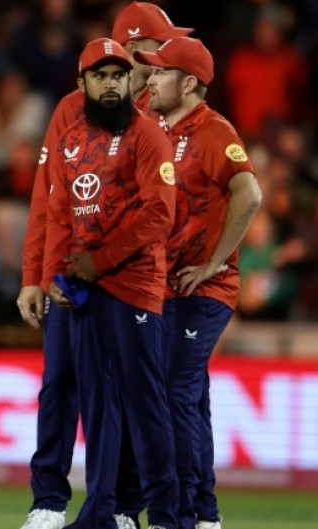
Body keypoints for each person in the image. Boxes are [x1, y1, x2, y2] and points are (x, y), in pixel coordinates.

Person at [15, 3, 191, 528]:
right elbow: (53, 203)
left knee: (135, 399)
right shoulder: (74, 114)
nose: (164, 60)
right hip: (81, 280)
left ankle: (137, 508)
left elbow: (162, 209)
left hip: (135, 280)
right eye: (159, 50)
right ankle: (55, 502)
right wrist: (40, 276)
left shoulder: (156, 116)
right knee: (69, 387)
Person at [136, 37, 262, 529]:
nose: (149, 80)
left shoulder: (213, 131)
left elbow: (248, 193)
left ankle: (186, 512)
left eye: (159, 72)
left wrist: (214, 262)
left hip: (202, 290)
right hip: (165, 287)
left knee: (174, 389)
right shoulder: (157, 126)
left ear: (188, 83)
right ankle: (205, 513)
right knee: (190, 395)